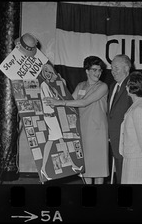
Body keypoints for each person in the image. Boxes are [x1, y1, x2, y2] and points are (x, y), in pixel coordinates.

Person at [45, 56, 109, 184]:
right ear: (87, 71)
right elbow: (70, 100)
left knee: (98, 167)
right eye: (94, 70)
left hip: (98, 132)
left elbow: (84, 102)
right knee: (85, 167)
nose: (98, 73)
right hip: (82, 130)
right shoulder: (81, 85)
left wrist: (60, 102)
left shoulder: (103, 86)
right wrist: (59, 85)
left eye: (100, 70)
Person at [39, 63, 82, 180]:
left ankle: (45, 168)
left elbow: (56, 99)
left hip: (52, 116)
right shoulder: (44, 85)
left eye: (50, 72)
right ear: (42, 72)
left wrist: (62, 85)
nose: (48, 74)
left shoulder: (48, 85)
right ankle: (45, 168)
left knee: (53, 141)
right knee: (58, 140)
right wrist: (57, 98)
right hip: (50, 116)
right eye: (46, 71)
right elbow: (50, 101)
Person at [107, 54, 133, 184]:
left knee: (126, 176)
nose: (113, 71)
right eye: (112, 68)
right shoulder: (113, 86)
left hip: (126, 140)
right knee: (120, 174)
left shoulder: (132, 85)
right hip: (114, 138)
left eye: (116, 68)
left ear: (126, 68)